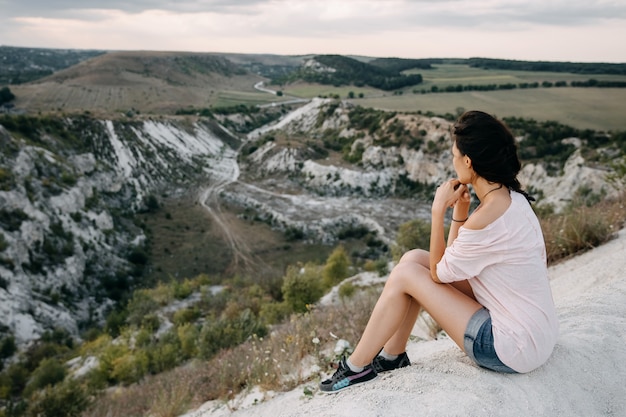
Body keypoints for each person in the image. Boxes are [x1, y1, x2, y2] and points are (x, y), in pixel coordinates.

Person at [320, 110, 559, 393]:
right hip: (532, 335)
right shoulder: (510, 198)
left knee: (408, 273)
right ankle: (392, 355)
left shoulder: (487, 219)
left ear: (468, 162)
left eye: (454, 156)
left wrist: (437, 212)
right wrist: (460, 213)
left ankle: (357, 366)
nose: (452, 161)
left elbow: (438, 273)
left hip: (507, 348)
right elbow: (450, 264)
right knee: (412, 258)